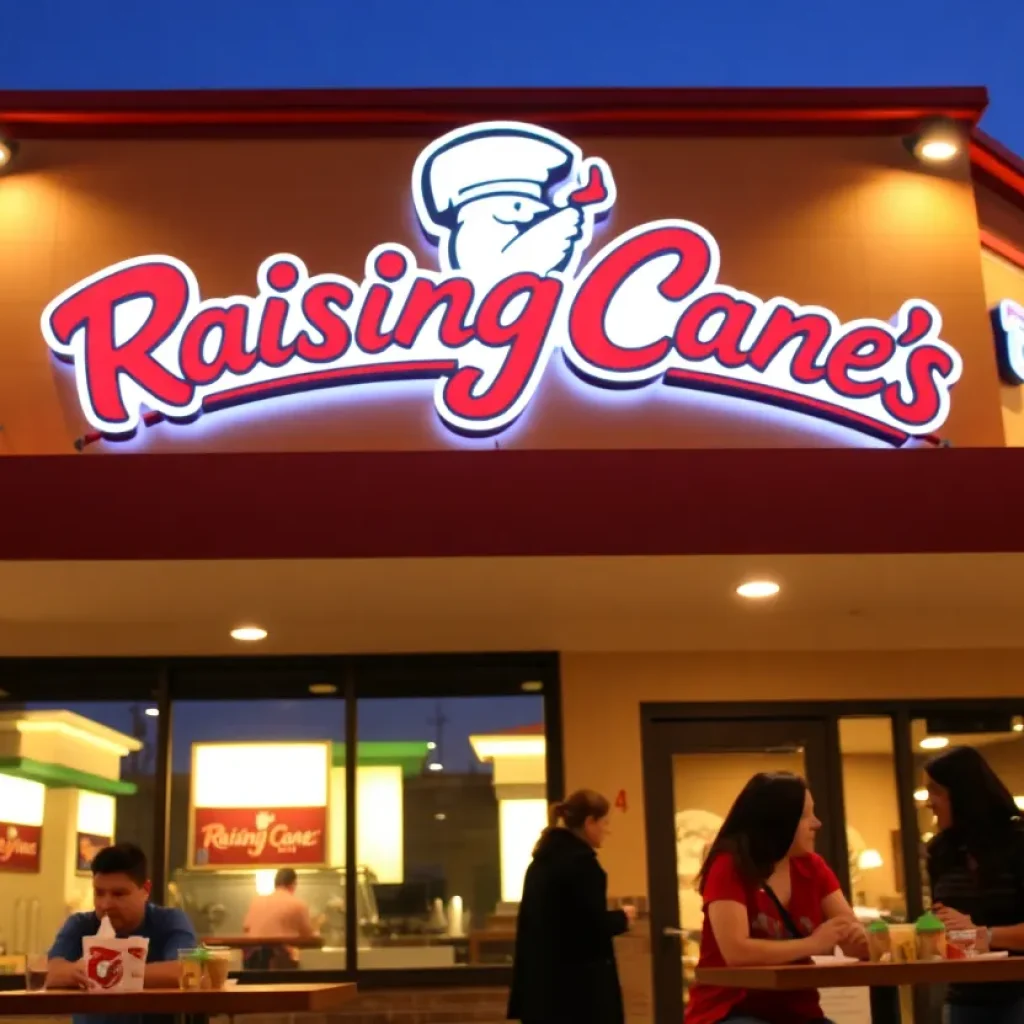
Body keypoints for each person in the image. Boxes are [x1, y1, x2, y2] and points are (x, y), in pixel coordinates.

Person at [686, 772, 867, 1024]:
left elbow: (851, 934)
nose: (817, 824)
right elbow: (736, 952)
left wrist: (858, 940)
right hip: (730, 1009)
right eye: (805, 816)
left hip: (797, 1012)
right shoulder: (730, 865)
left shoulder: (812, 867)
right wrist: (814, 944)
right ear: (777, 822)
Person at [507, 789, 636, 1024]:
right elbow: (586, 929)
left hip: (542, 993)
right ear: (589, 822)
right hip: (579, 996)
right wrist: (621, 918)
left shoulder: (540, 863)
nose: (607, 830)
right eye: (604, 822)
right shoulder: (583, 865)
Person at [46, 842, 197, 1024]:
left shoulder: (170, 921)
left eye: (119, 894)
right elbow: (53, 973)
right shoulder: (80, 924)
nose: (105, 904)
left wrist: (104, 972)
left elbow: (183, 971)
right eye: (99, 893)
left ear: (145, 890)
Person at [926, 745, 1024, 1023]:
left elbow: (972, 934)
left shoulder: (1018, 843)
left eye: (936, 791)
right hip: (963, 997)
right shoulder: (941, 852)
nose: (928, 801)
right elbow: (945, 925)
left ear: (963, 794)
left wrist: (984, 935)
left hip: (1018, 995)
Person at [242, 867, 317, 969]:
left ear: (275, 883)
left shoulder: (257, 901)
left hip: (253, 961)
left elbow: (246, 928)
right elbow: (308, 936)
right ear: (293, 884)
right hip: (280, 962)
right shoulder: (298, 904)